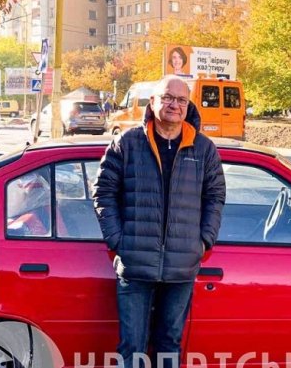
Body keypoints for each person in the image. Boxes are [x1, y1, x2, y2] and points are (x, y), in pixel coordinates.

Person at [93, 75, 225, 368]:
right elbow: (103, 192)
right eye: (167, 97)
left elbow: (215, 197)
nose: (173, 105)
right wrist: (118, 240)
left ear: (187, 105)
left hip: (182, 267)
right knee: (132, 347)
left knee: (169, 345)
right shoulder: (127, 143)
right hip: (135, 264)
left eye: (180, 99)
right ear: (152, 102)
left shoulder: (203, 149)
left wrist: (203, 242)